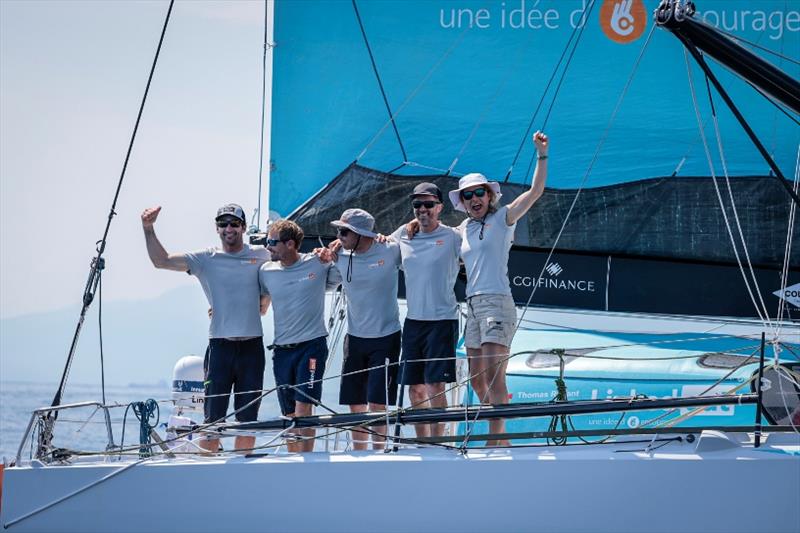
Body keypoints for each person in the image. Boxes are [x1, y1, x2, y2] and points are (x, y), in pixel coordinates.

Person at [141, 203, 269, 453]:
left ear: (243, 227)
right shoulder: (206, 259)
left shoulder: (262, 254)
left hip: (252, 349)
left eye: (234, 223)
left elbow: (287, 265)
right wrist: (148, 228)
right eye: (223, 224)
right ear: (217, 228)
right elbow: (161, 261)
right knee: (213, 421)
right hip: (220, 348)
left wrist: (265, 301)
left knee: (248, 421)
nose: (228, 228)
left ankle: (243, 470)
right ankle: (208, 469)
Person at [448, 131, 549, 446]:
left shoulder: (504, 218)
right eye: (468, 196)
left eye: (479, 193)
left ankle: (497, 440)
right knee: (477, 382)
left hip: (497, 302)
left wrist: (542, 154)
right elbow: (428, 237)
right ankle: (499, 429)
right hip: (473, 306)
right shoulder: (462, 229)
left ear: (489, 195)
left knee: (493, 378)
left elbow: (535, 191)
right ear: (463, 203)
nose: (475, 199)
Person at [317, 208, 402, 450]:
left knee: (378, 403)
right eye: (338, 231)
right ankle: (359, 453)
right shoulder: (339, 256)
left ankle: (380, 452)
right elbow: (322, 283)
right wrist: (319, 259)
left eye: (344, 231)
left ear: (361, 233)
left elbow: (414, 253)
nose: (339, 235)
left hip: (386, 336)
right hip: (354, 338)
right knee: (355, 403)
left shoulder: (390, 249)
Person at [259, 220, 341, 453]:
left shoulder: (317, 262)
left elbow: (345, 272)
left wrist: (332, 253)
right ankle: (295, 460)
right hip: (282, 350)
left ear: (290, 244)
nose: (268, 247)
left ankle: (305, 461)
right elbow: (257, 301)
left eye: (272, 242)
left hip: (311, 347)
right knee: (289, 412)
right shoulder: (266, 271)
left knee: (304, 407)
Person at [391, 183, 461, 440]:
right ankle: (422, 443)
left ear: (440, 207)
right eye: (417, 204)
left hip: (442, 321)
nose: (423, 209)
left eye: (429, 204)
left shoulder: (453, 236)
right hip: (413, 321)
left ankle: (437, 441)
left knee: (435, 386)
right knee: (415, 389)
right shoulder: (403, 234)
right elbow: (378, 247)